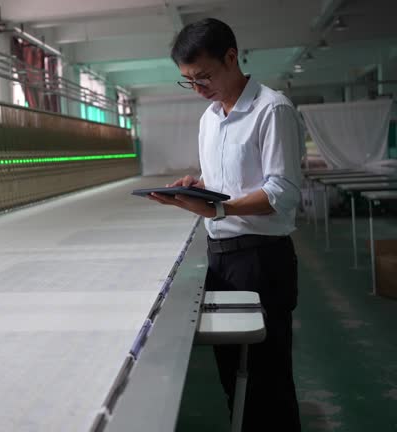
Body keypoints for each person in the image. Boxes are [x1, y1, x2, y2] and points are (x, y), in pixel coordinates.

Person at [148, 18, 304, 432]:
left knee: (267, 380)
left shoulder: (272, 109)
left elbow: (283, 192)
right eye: (188, 81)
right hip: (221, 260)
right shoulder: (210, 119)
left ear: (231, 58)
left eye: (204, 77)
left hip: (262, 260)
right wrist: (198, 188)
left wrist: (218, 211)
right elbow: (226, 185)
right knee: (233, 377)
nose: (198, 89)